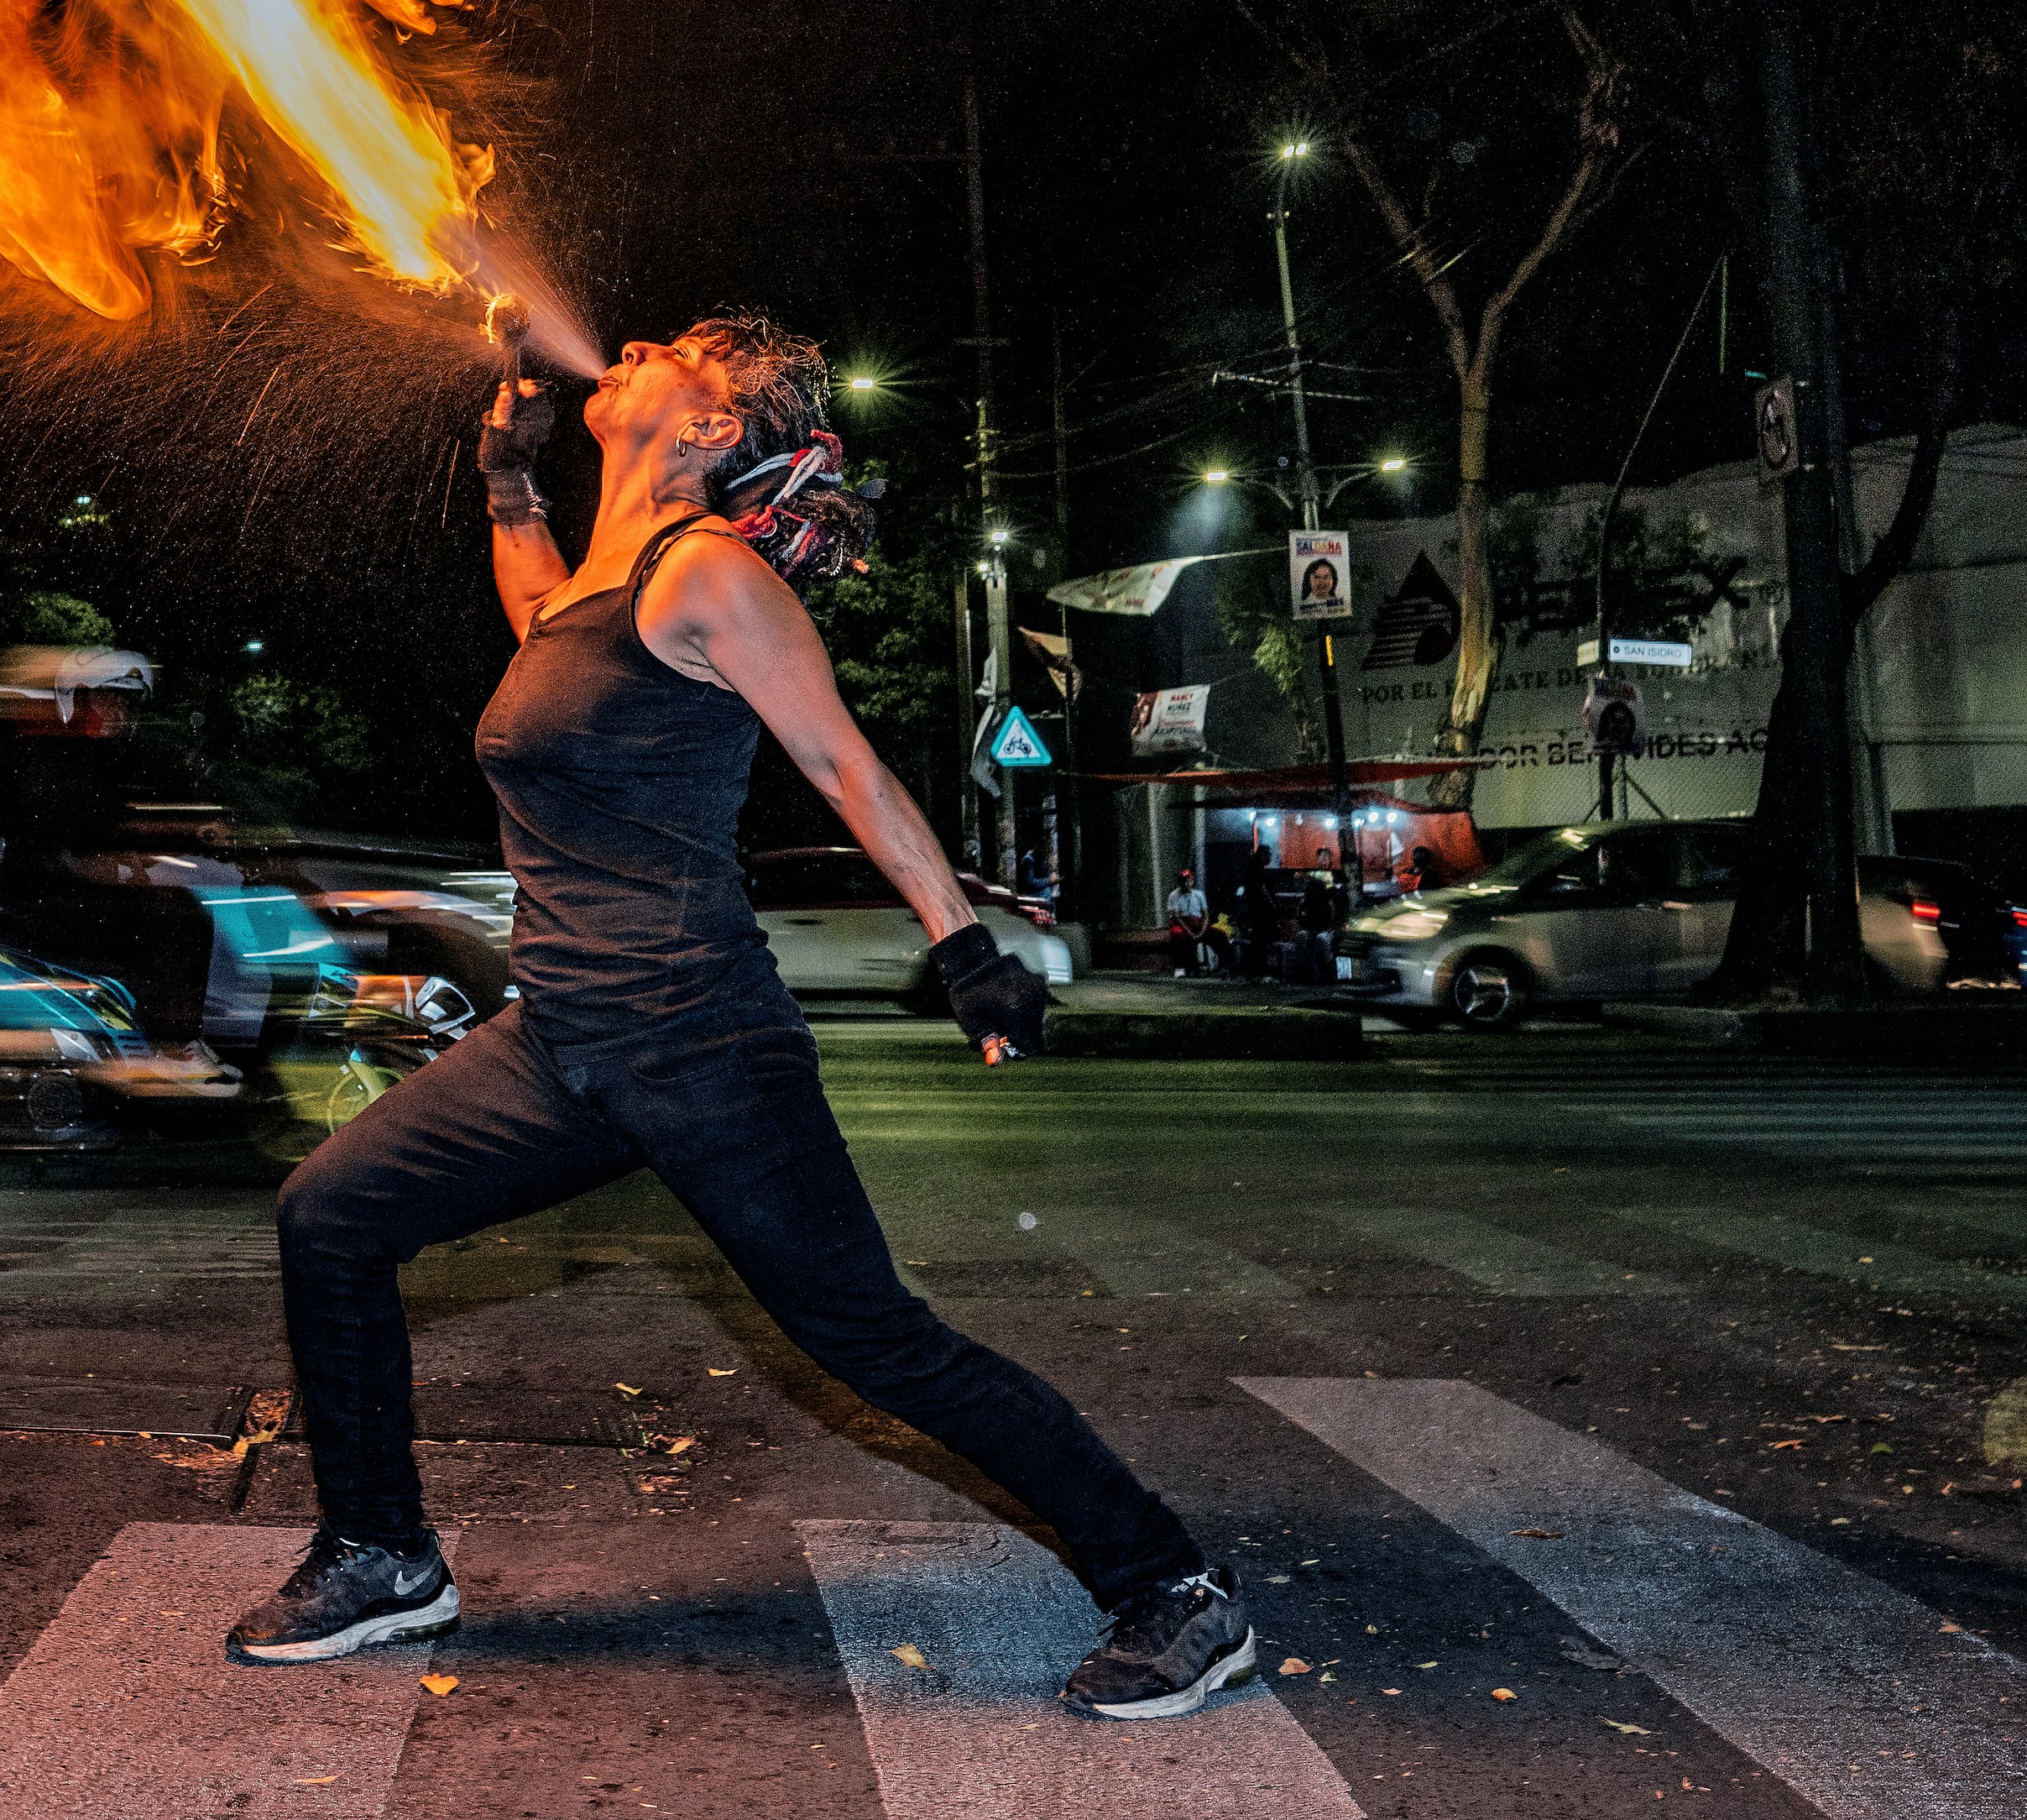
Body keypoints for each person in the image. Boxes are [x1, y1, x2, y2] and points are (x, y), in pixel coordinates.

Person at [231, 316, 1257, 1718]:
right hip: (562, 1043)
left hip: (699, 1036)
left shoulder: (708, 576)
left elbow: (847, 764)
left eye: (676, 352)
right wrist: (507, 485)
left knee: (875, 1344)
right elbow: (535, 618)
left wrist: (966, 949)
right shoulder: (598, 590)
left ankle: (1174, 1588)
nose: (633, 345)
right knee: (331, 1217)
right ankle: (383, 1555)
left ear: (713, 429)